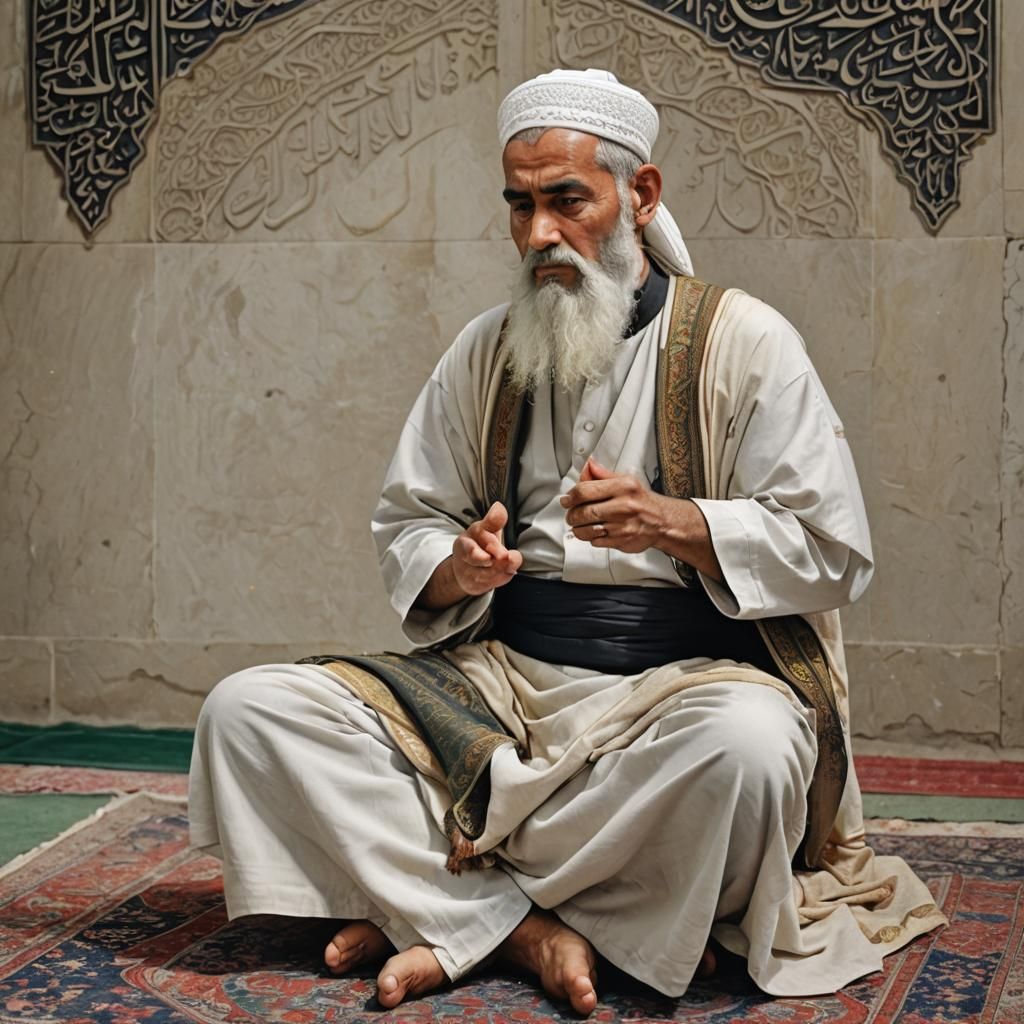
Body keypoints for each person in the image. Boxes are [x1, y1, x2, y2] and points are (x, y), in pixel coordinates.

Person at [189, 69, 944, 1015]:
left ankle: (435, 908)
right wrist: (457, 566)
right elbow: (410, 520)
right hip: (503, 685)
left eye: (566, 201)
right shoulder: (487, 349)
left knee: (750, 752)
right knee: (249, 712)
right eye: (521, 205)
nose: (539, 232)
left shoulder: (745, 342)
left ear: (642, 195)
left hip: (680, 695)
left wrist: (678, 523)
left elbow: (832, 548)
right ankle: (531, 931)